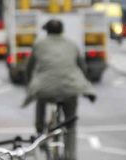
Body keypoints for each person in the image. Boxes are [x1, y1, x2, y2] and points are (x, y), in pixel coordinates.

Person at [23, 19, 96, 160]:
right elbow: (83, 67)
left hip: (46, 89)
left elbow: (29, 67)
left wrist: (28, 84)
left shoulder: (39, 45)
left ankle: (40, 134)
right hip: (69, 89)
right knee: (71, 122)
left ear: (47, 31)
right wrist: (85, 82)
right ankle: (71, 155)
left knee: (41, 100)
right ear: (62, 31)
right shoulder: (72, 45)